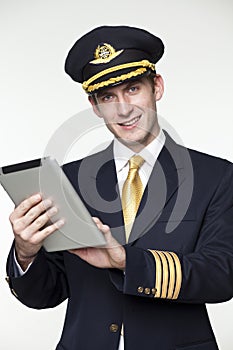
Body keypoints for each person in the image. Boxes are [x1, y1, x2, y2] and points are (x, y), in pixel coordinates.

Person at [5, 25, 233, 350]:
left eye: (133, 89)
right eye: (108, 96)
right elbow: (45, 294)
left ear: (157, 86)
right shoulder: (68, 181)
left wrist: (126, 260)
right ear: (95, 106)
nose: (123, 109)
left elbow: (222, 275)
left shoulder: (216, 176)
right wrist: (25, 253)